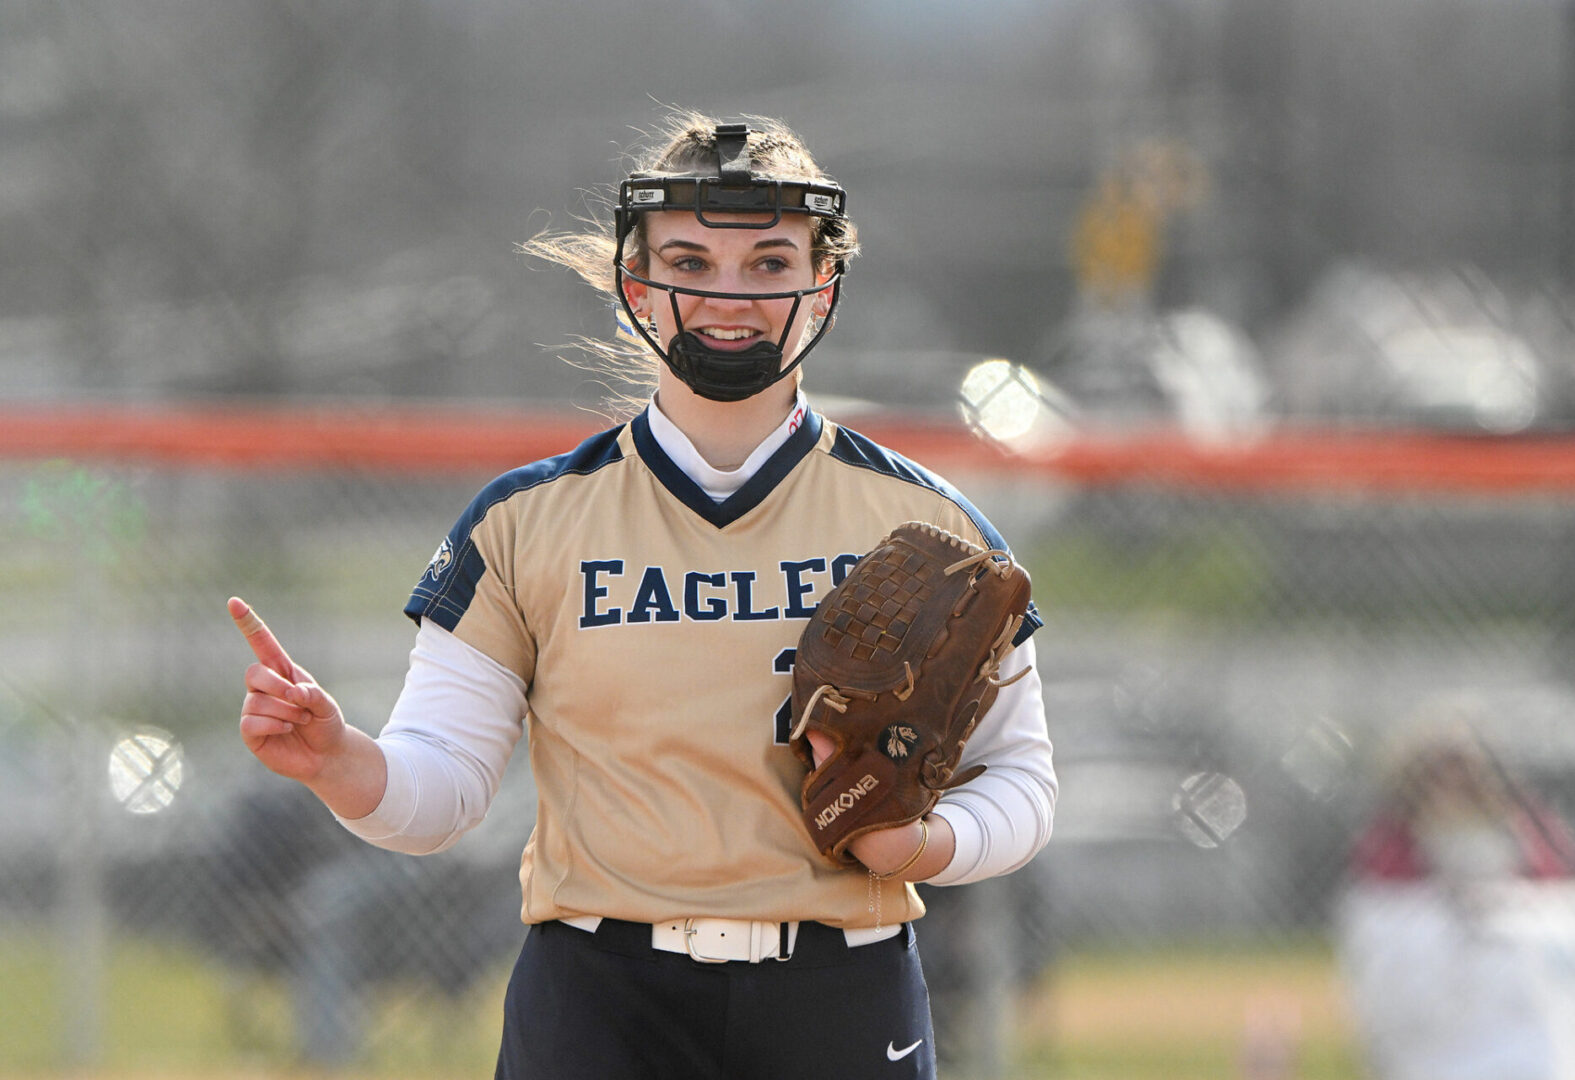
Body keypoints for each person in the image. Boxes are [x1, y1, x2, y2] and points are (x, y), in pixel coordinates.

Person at [229, 110, 1057, 1080]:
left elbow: (1026, 786)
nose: (729, 298)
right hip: (600, 996)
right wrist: (339, 761)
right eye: (692, 263)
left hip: (840, 992)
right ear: (637, 286)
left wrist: (922, 845)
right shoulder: (524, 523)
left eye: (769, 263)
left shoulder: (929, 526)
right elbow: (441, 792)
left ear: (822, 280)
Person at [1335, 721, 1575, 1080]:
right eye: (1439, 775)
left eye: (1469, 773)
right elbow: (1389, 973)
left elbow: (1574, 925)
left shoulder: (1536, 842)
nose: (1457, 786)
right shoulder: (1389, 862)